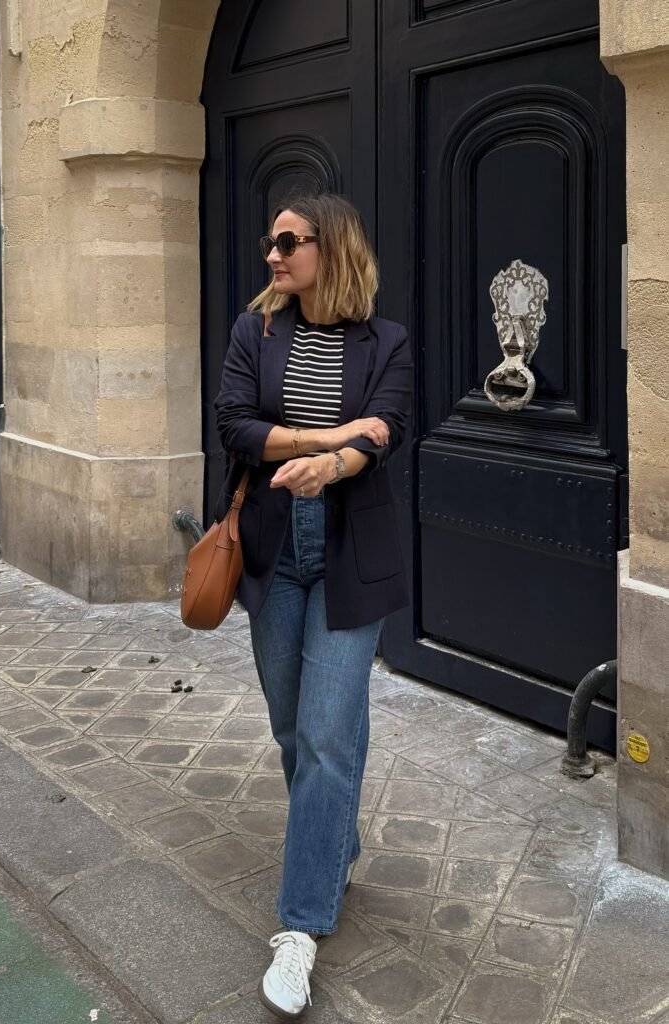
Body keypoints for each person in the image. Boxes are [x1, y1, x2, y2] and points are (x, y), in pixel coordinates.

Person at [214, 192, 412, 1019]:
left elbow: (387, 428)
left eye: (290, 242)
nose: (273, 254)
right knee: (292, 726)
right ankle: (333, 843)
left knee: (329, 735)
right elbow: (234, 425)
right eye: (270, 240)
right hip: (271, 547)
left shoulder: (387, 342)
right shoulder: (253, 332)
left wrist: (333, 462)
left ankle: (299, 928)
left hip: (346, 552)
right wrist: (329, 439)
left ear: (330, 250)